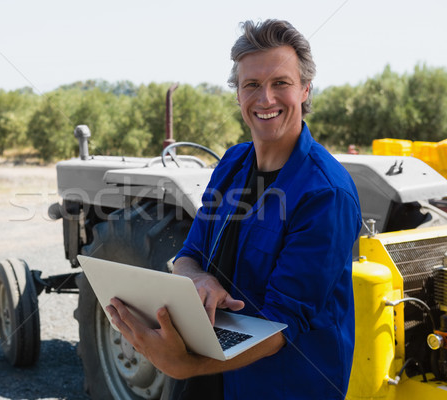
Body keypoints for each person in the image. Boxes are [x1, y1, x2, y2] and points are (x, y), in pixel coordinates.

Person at [107, 19, 362, 400]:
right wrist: (197, 279)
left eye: (281, 83)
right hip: (213, 379)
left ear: (305, 89)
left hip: (282, 387)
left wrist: (183, 365)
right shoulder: (233, 163)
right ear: (238, 93)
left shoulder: (325, 193)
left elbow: (283, 324)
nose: (266, 99)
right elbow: (189, 255)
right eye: (252, 85)